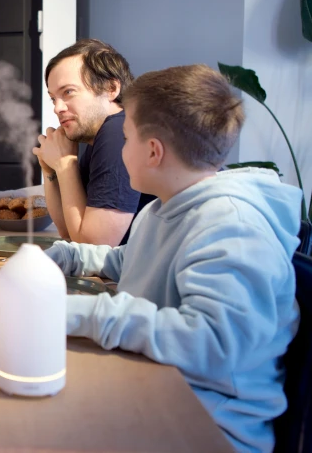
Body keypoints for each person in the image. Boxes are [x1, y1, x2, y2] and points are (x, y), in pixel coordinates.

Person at [48, 64, 300, 452]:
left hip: (206, 427)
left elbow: (211, 343)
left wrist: (80, 314)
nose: (120, 149)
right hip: (152, 392)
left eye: (125, 138)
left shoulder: (232, 227)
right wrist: (66, 255)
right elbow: (127, 262)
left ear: (153, 152)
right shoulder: (163, 209)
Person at [0, 39, 150, 246]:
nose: (57, 108)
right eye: (53, 98)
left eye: (68, 92)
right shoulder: (99, 136)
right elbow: (67, 230)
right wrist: (51, 169)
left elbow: (94, 247)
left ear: (111, 88)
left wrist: (65, 164)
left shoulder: (117, 133)